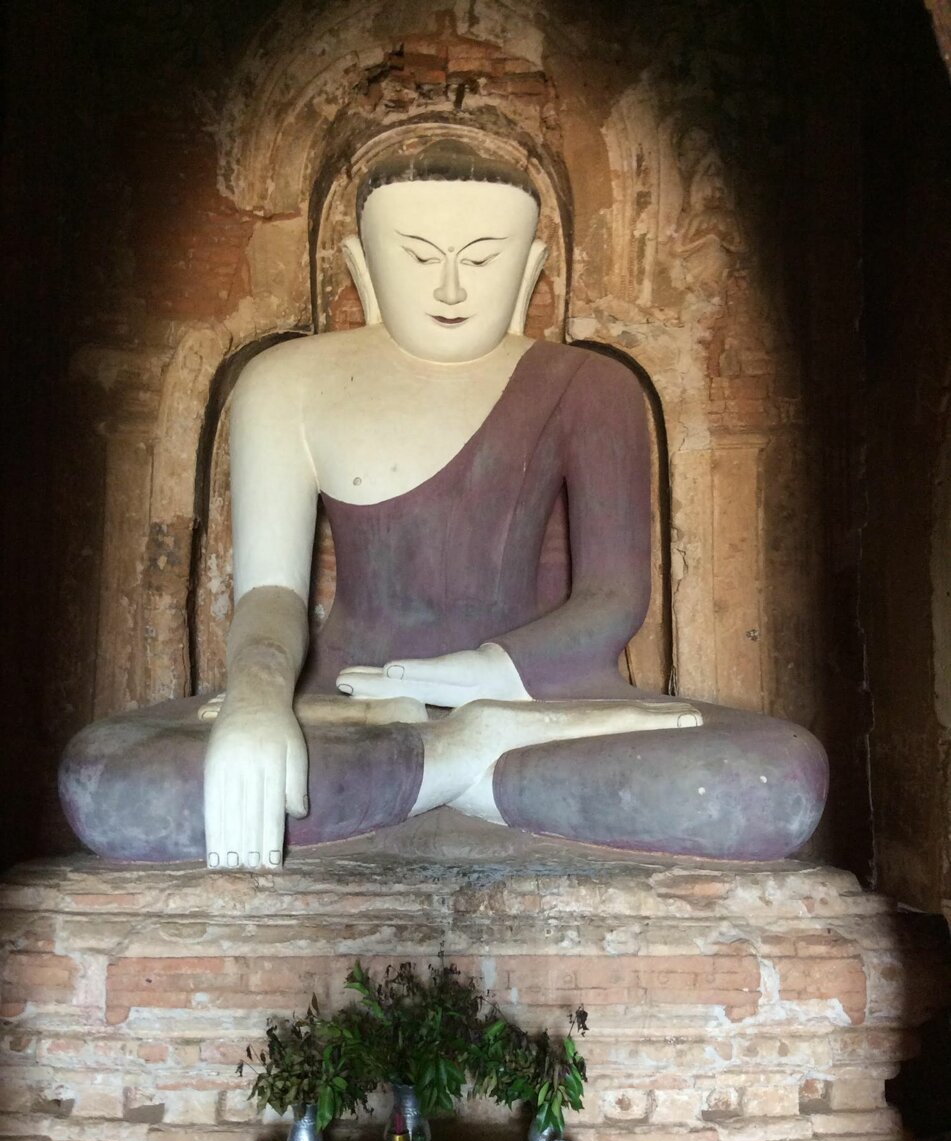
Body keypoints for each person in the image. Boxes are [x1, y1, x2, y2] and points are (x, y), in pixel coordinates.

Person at [60, 142, 827, 869]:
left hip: (540, 702)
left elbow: (612, 596)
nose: (451, 288)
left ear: (528, 271)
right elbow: (270, 593)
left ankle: (426, 774)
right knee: (115, 783)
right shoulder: (286, 382)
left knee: (772, 782)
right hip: (353, 700)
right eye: (419, 256)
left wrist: (487, 671)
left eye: (483, 258)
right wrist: (257, 704)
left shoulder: (592, 387)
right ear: (361, 266)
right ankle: (464, 762)